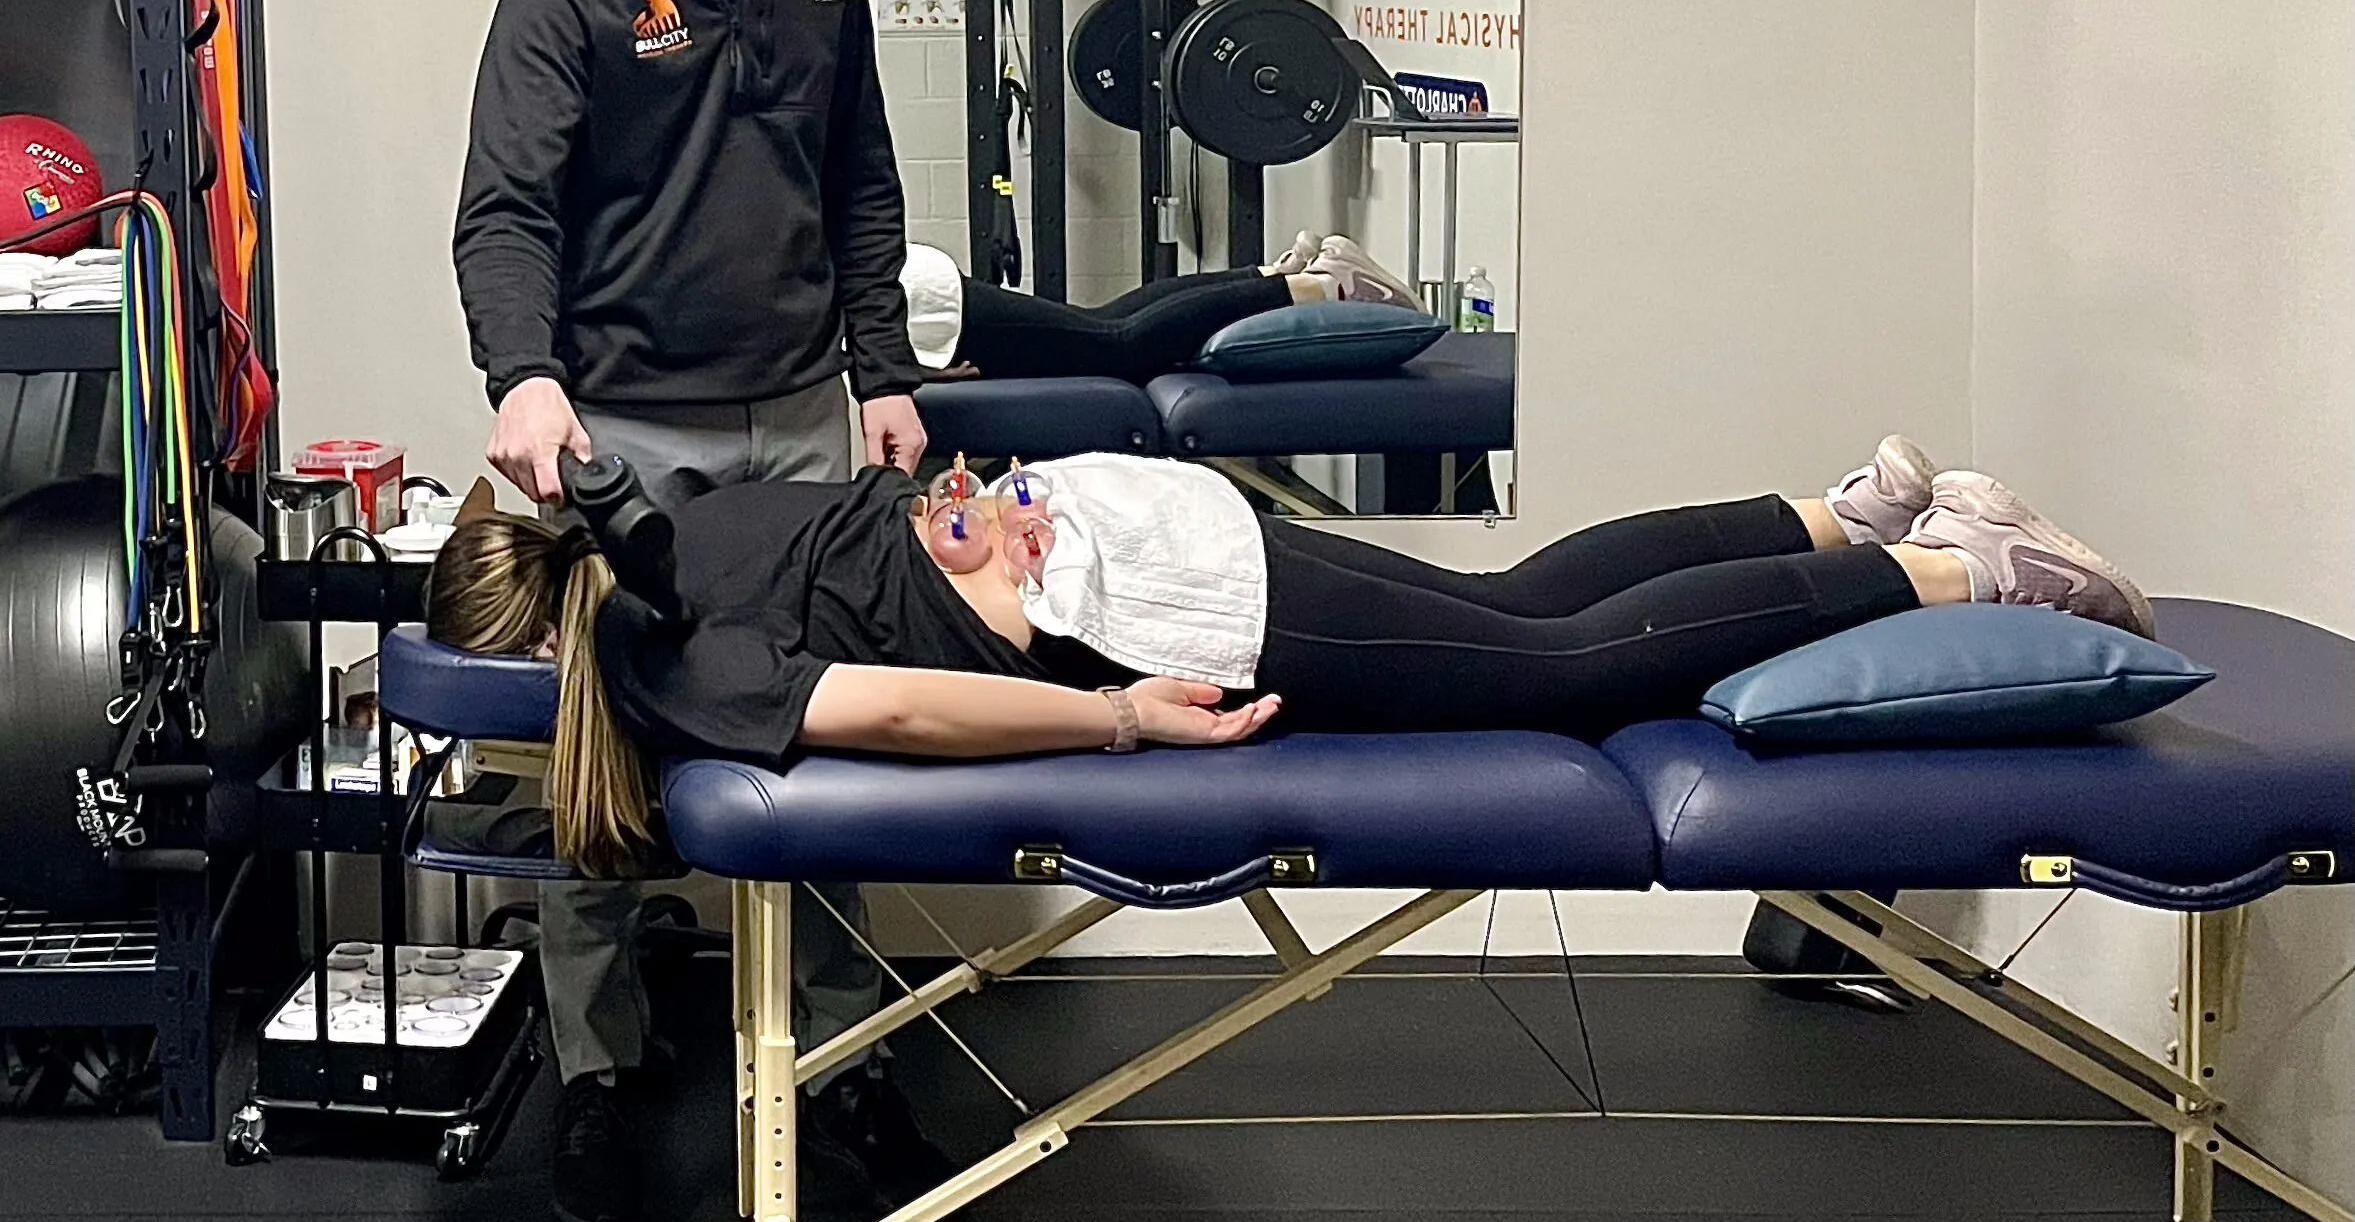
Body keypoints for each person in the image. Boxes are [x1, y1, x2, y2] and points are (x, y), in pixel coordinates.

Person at [452, 0, 939, 1222]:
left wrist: (881, 371)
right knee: (599, 766)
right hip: (623, 431)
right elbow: (503, 212)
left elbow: (858, 172)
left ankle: (844, 1058)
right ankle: (597, 1073)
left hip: (802, 408)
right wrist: (521, 376)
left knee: (829, 740)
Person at [426, 435, 2155, 868]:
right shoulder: (646, 523)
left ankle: (1950, 571)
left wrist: (1111, 725)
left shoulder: (641, 649)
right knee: (1528, 602)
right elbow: (873, 556)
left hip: (1144, 602)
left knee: (1556, 671)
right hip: (1102, 524)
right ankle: (1838, 512)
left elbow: (880, 702)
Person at [901, 227, 1421, 383]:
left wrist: (893, 371)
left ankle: (1325, 284)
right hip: (916, 298)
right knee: (1103, 323)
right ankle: (1273, 276)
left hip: (918, 308)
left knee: (1118, 346)